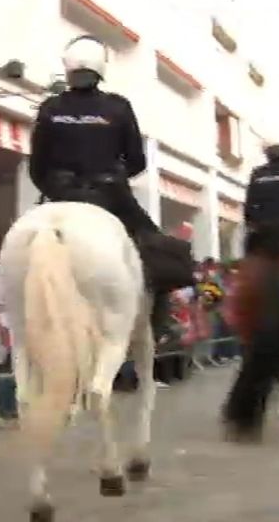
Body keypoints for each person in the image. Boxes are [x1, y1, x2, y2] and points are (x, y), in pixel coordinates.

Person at [28, 34, 194, 333]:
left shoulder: (50, 107)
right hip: (110, 195)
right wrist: (113, 177)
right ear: (100, 69)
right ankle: (160, 321)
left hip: (61, 197)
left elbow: (37, 167)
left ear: (68, 69)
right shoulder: (117, 107)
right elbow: (137, 161)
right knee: (158, 250)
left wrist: (58, 189)